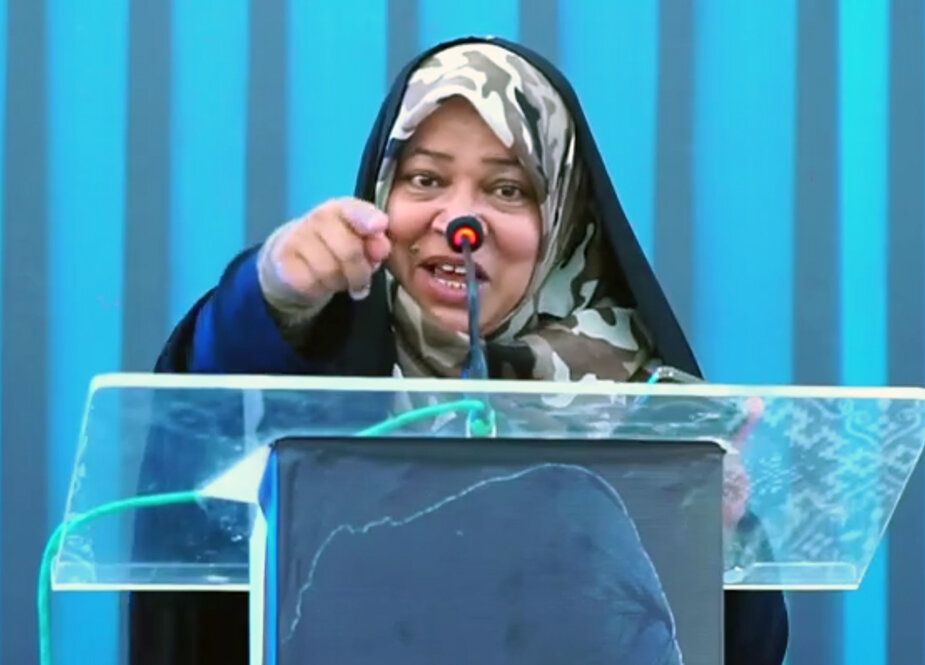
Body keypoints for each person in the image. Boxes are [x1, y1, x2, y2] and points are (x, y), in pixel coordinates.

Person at [129, 36, 788, 664]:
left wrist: (715, 540)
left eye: (507, 189)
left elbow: (744, 650)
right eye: (424, 179)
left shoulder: (644, 412)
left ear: (563, 216)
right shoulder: (312, 350)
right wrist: (269, 292)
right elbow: (200, 423)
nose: (458, 221)